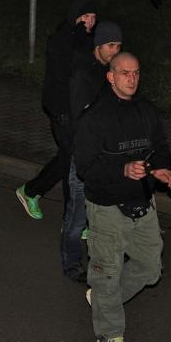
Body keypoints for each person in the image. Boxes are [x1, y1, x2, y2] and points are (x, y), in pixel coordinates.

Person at [75, 52, 171, 342]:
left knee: (150, 268)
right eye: (125, 73)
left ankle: (105, 298)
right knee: (107, 272)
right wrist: (122, 170)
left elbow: (160, 146)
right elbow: (85, 168)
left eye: (136, 73)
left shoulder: (146, 111)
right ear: (111, 76)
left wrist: (161, 168)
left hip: (143, 204)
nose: (131, 78)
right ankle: (109, 333)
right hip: (107, 208)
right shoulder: (94, 117)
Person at [15, 0, 97, 220]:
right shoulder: (61, 39)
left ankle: (31, 190)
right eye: (85, 17)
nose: (89, 22)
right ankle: (72, 219)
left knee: (68, 157)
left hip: (78, 108)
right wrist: (79, 40)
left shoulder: (87, 39)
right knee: (72, 158)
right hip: (61, 108)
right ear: (75, 18)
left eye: (93, 17)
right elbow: (64, 73)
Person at [60, 21, 123, 283]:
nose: (115, 51)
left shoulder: (110, 72)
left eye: (119, 46)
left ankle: (103, 262)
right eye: (111, 45)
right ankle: (71, 262)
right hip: (85, 156)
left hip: (105, 156)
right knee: (77, 218)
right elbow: (80, 119)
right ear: (98, 46)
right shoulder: (83, 75)